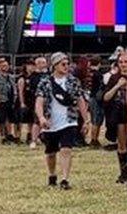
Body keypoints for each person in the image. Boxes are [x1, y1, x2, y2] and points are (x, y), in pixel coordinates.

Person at [34, 52, 91, 190]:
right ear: (55, 65)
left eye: (67, 64)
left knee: (66, 150)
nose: (66, 67)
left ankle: (65, 179)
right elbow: (39, 102)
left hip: (69, 121)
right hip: (51, 122)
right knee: (51, 152)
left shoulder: (73, 81)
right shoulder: (45, 82)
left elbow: (80, 100)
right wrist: (41, 117)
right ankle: (52, 175)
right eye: (63, 64)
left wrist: (86, 120)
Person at [103, 48, 127, 185]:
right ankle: (125, 173)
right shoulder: (114, 78)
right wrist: (117, 86)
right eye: (120, 62)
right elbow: (106, 97)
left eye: (126, 61)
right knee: (122, 145)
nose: (123, 64)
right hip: (120, 114)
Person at [26, 56, 49, 149]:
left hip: (50, 101)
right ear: (37, 64)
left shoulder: (49, 74)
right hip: (38, 102)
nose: (45, 64)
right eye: (42, 62)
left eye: (45, 62)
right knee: (37, 121)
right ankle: (33, 140)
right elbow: (32, 90)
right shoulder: (33, 76)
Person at [16, 60, 35, 144]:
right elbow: (20, 91)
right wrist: (22, 102)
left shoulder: (34, 77)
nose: (31, 67)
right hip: (23, 100)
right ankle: (18, 136)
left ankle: (29, 135)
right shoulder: (22, 78)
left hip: (31, 101)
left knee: (31, 120)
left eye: (32, 65)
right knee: (20, 120)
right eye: (29, 65)